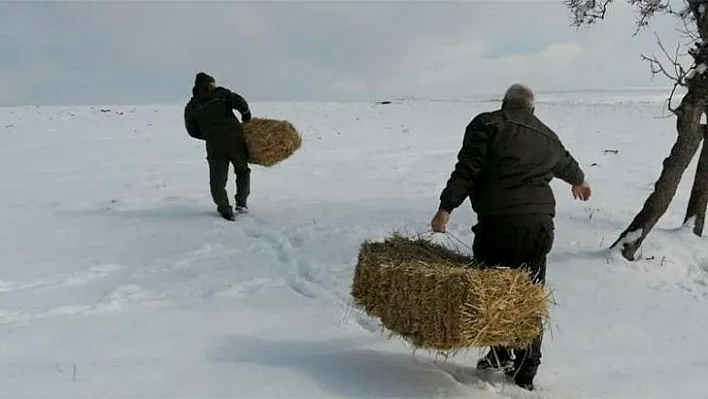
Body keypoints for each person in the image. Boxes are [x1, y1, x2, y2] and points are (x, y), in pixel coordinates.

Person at [430, 84, 591, 391]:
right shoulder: (546, 135)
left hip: (499, 224)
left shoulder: (487, 124)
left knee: (491, 292)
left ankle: (501, 351)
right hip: (540, 226)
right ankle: (526, 366)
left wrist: (446, 208)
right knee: (530, 295)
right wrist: (580, 181)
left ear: (504, 103)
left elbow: (468, 169)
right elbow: (567, 162)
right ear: (532, 109)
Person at [184, 72, 252, 221]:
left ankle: (224, 208)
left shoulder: (191, 106)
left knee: (217, 180)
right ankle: (241, 203)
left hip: (214, 145)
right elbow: (239, 101)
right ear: (209, 84)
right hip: (235, 141)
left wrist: (208, 135)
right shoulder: (220, 93)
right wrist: (246, 115)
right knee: (242, 171)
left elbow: (191, 130)